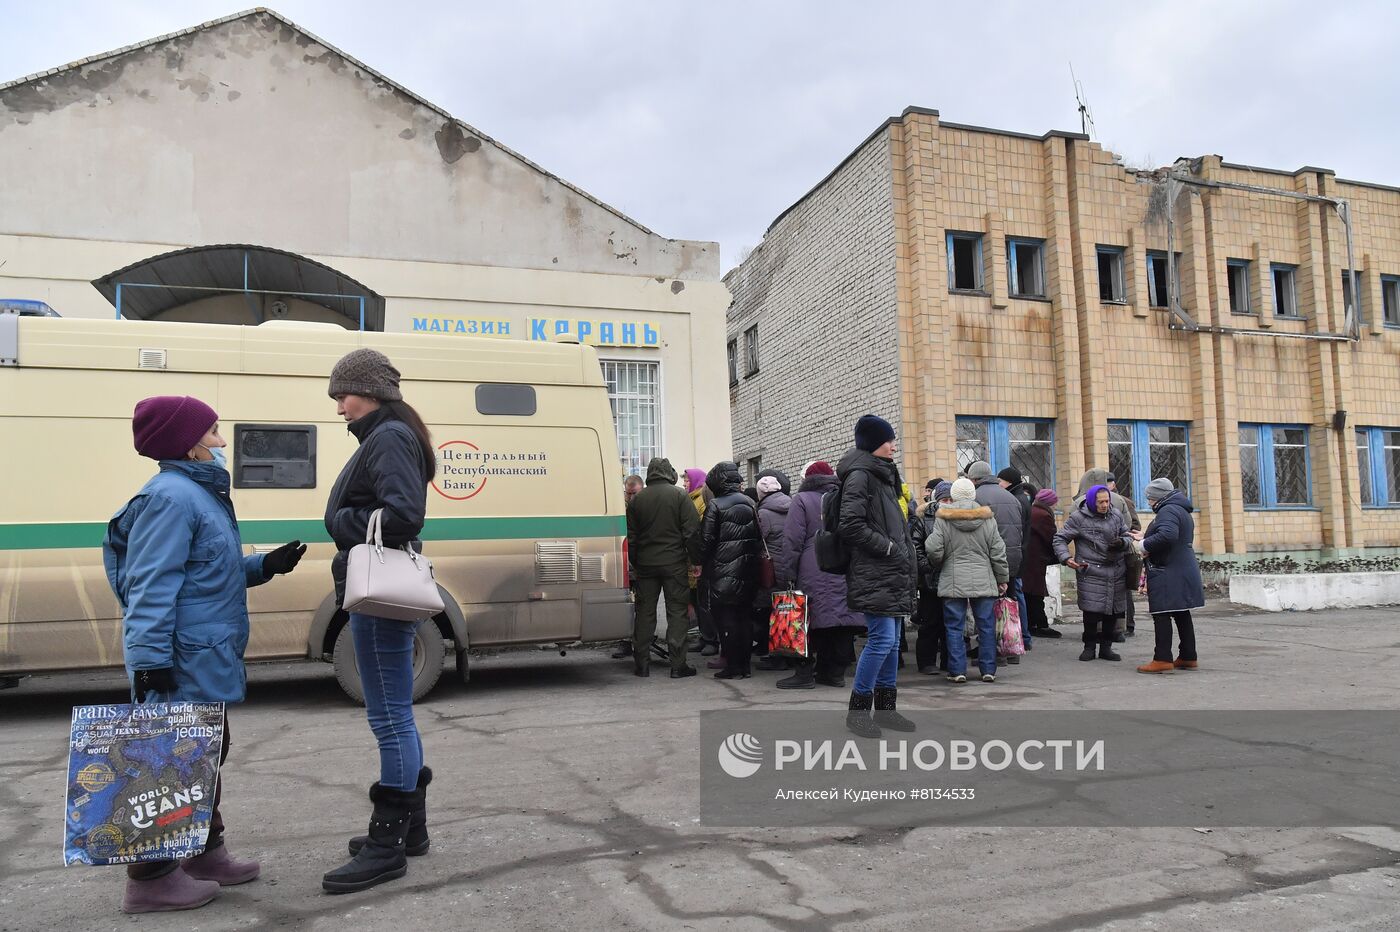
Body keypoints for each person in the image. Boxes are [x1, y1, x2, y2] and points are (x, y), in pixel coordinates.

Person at [103, 395, 305, 913]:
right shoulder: (171, 499)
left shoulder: (196, 495)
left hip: (204, 653)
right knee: (170, 763)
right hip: (180, 659)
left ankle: (202, 853)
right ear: (189, 445)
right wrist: (149, 660)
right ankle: (149, 880)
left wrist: (263, 566)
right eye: (214, 433)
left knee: (206, 752)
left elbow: (205, 572)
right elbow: (149, 585)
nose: (221, 443)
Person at [322, 349, 437, 894]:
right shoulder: (386, 434)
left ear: (368, 391)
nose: (339, 406)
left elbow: (404, 515)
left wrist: (340, 521)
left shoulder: (387, 436)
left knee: (388, 717)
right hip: (378, 593)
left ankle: (386, 843)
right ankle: (409, 830)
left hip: (378, 595)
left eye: (342, 395)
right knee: (395, 715)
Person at [837, 415, 918, 738]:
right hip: (875, 569)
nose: (893, 445)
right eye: (889, 440)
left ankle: (886, 710)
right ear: (873, 443)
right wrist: (886, 548)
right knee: (882, 640)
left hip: (891, 570)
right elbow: (850, 524)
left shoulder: (883, 475)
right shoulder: (861, 476)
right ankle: (857, 713)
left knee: (893, 641)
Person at [774, 461, 866, 689]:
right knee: (841, 621)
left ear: (808, 479)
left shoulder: (802, 499)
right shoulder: (844, 497)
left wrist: (788, 572)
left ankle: (804, 674)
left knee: (807, 620)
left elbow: (792, 539)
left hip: (812, 565)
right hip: (843, 565)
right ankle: (833, 673)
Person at [925, 477, 1009, 684]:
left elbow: (934, 549)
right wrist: (1002, 578)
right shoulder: (987, 518)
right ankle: (988, 670)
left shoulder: (944, 518)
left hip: (953, 580)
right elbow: (998, 552)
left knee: (954, 627)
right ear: (973, 495)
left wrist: (941, 561)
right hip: (984, 580)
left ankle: (957, 671)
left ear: (953, 495)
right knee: (986, 626)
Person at [626, 457, 701, 678]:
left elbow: (631, 537)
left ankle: (642, 664)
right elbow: (691, 532)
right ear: (668, 472)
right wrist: (696, 561)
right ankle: (678, 665)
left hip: (646, 565)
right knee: (677, 612)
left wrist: (637, 562)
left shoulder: (637, 500)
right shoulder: (679, 495)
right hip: (674, 564)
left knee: (644, 613)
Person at [1054, 484, 1134, 662]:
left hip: (1116, 570)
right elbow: (1060, 538)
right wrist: (1066, 558)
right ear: (1091, 501)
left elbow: (1127, 536)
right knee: (1091, 612)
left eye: (1107, 501)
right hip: (1090, 571)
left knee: (1112, 612)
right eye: (1100, 502)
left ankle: (1106, 648)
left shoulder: (1116, 515)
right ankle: (1089, 647)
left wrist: (1122, 543)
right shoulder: (1078, 518)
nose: (1105, 505)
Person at [698, 461, 761, 679]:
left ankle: (733, 666)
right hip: (748, 570)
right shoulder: (751, 502)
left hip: (723, 572)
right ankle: (744, 666)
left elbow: (705, 541)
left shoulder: (715, 505)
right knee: (744, 618)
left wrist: (699, 563)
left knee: (726, 620)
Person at [1134, 479, 1205, 674]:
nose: (1148, 502)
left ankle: (1162, 658)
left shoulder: (1168, 510)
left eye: (1149, 498)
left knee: (1162, 614)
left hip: (1167, 570)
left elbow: (1168, 535)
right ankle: (1188, 656)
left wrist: (1143, 545)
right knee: (1182, 612)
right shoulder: (1180, 509)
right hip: (1181, 568)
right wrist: (1145, 536)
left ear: (1157, 497)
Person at [965, 462, 1025, 663]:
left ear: (974, 479)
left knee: (988, 609)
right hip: (1013, 557)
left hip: (989, 560)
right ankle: (1011, 649)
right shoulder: (1011, 496)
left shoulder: (976, 497)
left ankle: (994, 653)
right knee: (1008, 604)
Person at [1076, 468, 1140, 642]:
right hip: (1118, 556)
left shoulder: (1080, 502)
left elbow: (1072, 529)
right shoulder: (1121, 500)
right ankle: (1120, 630)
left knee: (1093, 598)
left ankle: (1096, 634)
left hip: (1092, 559)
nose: (1104, 505)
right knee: (1121, 594)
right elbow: (1129, 526)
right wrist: (1121, 540)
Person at [911, 480, 953, 674]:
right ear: (937, 499)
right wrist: (927, 568)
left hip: (953, 579)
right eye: (945, 499)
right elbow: (915, 546)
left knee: (951, 624)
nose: (948, 503)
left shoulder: (958, 517)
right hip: (930, 581)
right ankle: (926, 662)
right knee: (929, 623)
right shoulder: (924, 518)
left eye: (952, 499)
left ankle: (949, 661)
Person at [753, 475, 793, 671]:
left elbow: (758, 541)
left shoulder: (763, 513)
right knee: (788, 611)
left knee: (772, 613)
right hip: (791, 566)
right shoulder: (794, 505)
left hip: (772, 570)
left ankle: (778, 657)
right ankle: (791, 651)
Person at [996, 466, 1035, 655]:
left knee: (1015, 597)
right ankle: (1023, 637)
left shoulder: (1016, 500)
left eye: (1000, 481)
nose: (998, 485)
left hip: (1016, 554)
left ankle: (1021, 638)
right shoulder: (1021, 498)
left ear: (1009, 482)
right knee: (1017, 596)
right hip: (1021, 552)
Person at [611, 474, 647, 660]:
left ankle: (641, 643)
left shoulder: (647, 505)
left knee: (643, 606)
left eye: (635, 493)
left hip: (642, 562)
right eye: (628, 493)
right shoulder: (621, 508)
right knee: (627, 605)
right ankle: (625, 642)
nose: (631, 497)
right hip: (626, 563)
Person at [684, 468, 718, 657]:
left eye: (688, 480)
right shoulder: (691, 499)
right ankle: (705, 637)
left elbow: (700, 530)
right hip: (692, 559)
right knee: (697, 600)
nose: (684, 483)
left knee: (705, 602)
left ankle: (711, 639)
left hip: (700, 560)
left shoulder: (702, 501)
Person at [1021, 488, 1062, 638]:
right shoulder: (1043, 515)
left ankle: (1031, 624)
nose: (1056, 506)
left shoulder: (1032, 510)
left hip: (1028, 557)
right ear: (1050, 503)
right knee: (1036, 594)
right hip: (1036, 559)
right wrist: (1061, 556)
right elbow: (1051, 538)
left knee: (1028, 593)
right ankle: (1041, 625)